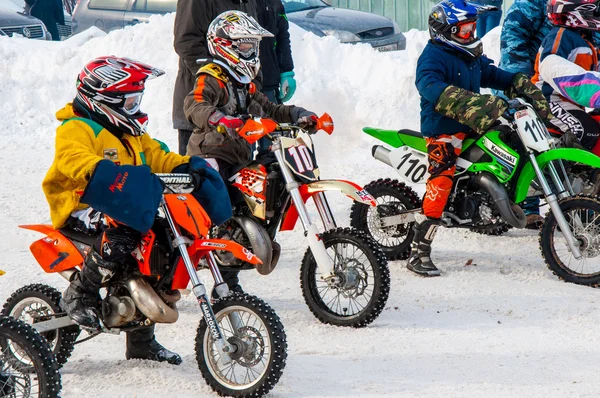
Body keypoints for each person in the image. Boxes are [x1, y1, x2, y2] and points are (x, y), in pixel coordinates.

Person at [43, 56, 231, 364]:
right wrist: (102, 169)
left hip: (125, 200)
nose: (134, 107)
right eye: (129, 101)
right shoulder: (76, 128)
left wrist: (188, 166)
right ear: (104, 100)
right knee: (125, 232)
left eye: (136, 100)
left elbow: (157, 156)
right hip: (81, 204)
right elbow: (72, 159)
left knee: (162, 245)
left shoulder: (131, 133)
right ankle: (81, 291)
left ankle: (142, 341)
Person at [411, 0, 551, 277]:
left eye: (472, 28)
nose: (470, 34)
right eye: (463, 30)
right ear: (444, 30)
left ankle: (495, 203)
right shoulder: (432, 58)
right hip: (444, 130)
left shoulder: (468, 55)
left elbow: (491, 74)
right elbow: (432, 88)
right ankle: (419, 250)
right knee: (441, 179)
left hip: (473, 125)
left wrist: (517, 83)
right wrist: (486, 104)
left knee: (510, 142)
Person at [172, 0, 258, 157]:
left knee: (244, 177)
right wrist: (219, 80)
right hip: (202, 112)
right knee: (202, 178)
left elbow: (252, 46)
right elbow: (186, 41)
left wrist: (252, 85)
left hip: (240, 117)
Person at [533, 0, 600, 157]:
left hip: (568, 103)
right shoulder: (560, 36)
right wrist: (594, 90)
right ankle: (553, 172)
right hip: (546, 100)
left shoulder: (586, 40)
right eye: (596, 10)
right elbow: (552, 66)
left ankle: (588, 175)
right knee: (585, 130)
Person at [257, 0, 296, 104]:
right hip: (239, 84)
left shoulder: (274, 3)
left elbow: (282, 36)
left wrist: (287, 71)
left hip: (269, 84)